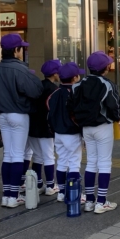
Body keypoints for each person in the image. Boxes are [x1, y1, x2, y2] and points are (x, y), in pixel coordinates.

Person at [0, 34, 43, 208]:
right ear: (16, 50)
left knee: (8, 154)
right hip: (18, 114)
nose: (23, 51)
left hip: (2, 115)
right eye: (22, 48)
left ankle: (7, 195)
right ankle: (13, 196)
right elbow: (36, 91)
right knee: (18, 154)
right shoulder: (20, 69)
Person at [72, 51, 120, 214]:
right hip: (103, 126)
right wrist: (117, 118)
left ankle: (89, 200)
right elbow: (114, 106)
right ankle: (101, 202)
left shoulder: (78, 84)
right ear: (105, 68)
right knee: (105, 162)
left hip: (85, 128)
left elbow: (71, 106)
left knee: (91, 162)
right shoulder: (106, 84)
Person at [47, 62, 85, 204]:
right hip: (72, 133)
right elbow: (78, 115)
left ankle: (62, 193)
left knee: (62, 162)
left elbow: (49, 113)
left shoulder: (54, 93)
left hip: (58, 133)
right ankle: (74, 194)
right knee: (74, 163)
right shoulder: (75, 93)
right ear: (75, 78)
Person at [27, 59, 61, 195]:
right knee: (49, 156)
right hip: (46, 127)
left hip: (32, 125)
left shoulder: (37, 86)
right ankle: (50, 186)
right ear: (54, 73)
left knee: (37, 156)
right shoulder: (55, 90)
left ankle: (39, 184)